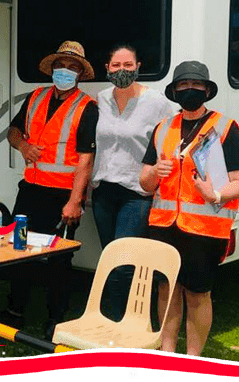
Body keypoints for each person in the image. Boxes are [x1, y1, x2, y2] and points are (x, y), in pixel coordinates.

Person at [139, 61, 239, 357]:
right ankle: (166, 352)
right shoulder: (163, 128)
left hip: (205, 228)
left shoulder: (225, 127)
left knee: (198, 294)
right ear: (175, 92)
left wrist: (214, 193)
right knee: (166, 289)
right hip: (164, 225)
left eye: (196, 86)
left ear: (206, 90)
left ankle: (192, 358)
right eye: (183, 86)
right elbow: (144, 182)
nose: (190, 90)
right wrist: (154, 173)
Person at [0, 40, 99, 338]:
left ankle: (55, 320)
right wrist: (23, 145)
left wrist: (75, 201)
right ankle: (15, 310)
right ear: (52, 69)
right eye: (60, 66)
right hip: (30, 190)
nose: (65, 71)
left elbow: (86, 160)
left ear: (80, 74)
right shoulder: (35, 97)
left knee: (58, 260)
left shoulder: (87, 108)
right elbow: (12, 131)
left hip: (62, 198)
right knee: (18, 250)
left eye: (72, 68)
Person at [91, 45, 172, 321]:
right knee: (110, 259)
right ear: (107, 68)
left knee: (123, 264)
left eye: (128, 65)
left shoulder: (157, 103)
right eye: (116, 65)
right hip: (104, 192)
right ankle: (126, 322)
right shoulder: (101, 99)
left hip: (136, 193)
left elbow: (171, 136)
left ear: (138, 66)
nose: (122, 70)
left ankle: (120, 324)